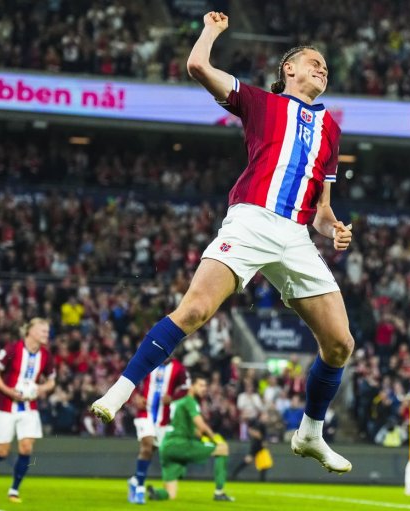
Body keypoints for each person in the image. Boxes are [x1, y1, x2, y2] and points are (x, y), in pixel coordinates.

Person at [92, 10, 355, 474]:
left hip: (296, 235)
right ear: (288, 70)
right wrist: (211, 30)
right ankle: (121, 389)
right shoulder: (260, 102)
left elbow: (321, 210)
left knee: (340, 344)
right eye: (314, 62)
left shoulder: (331, 130)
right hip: (251, 220)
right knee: (194, 310)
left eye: (326, 67)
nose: (323, 68)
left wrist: (333, 227)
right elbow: (197, 66)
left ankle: (310, 433)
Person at [0, 318, 56, 503]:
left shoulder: (46, 355)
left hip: (29, 406)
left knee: (27, 447)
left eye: (47, 331)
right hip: (6, 404)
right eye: (43, 330)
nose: (47, 334)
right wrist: (8, 391)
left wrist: (40, 388)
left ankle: (14, 489)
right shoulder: (12, 349)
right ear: (31, 331)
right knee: (2, 452)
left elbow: (52, 381)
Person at [146, 375, 234, 501]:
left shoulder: (177, 402)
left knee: (171, 494)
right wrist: (215, 439)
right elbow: (201, 425)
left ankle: (156, 493)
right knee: (223, 449)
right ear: (191, 386)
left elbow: (194, 430)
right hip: (180, 443)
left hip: (166, 446)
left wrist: (200, 435)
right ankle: (219, 492)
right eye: (201, 385)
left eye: (205, 386)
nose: (204, 388)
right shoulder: (190, 401)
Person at [128, 358, 189, 504]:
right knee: (147, 446)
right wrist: (136, 396)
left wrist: (173, 398)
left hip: (163, 418)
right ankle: (140, 490)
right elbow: (132, 377)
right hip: (145, 413)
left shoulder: (178, 368)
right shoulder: (149, 359)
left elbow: (186, 388)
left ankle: (135, 480)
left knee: (151, 451)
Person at [231, 413, 269, 481]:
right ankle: (234, 474)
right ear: (261, 416)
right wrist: (262, 438)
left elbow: (257, 434)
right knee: (252, 461)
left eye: (267, 417)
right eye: (265, 417)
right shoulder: (258, 424)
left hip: (260, 446)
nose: (266, 418)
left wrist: (262, 438)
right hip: (257, 446)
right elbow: (253, 432)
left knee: (264, 463)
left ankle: (262, 479)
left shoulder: (263, 425)